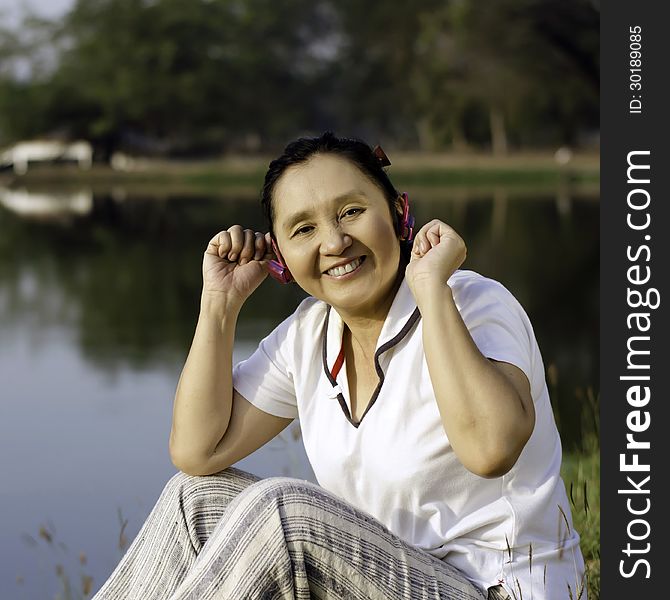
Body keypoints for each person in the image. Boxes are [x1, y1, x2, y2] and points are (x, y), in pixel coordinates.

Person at [92, 132, 585, 600]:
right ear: (281, 255)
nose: (333, 242)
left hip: (500, 588)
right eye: (304, 229)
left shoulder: (474, 303)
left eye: (351, 211)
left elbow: (491, 448)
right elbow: (197, 451)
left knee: (285, 514)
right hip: (389, 576)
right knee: (193, 499)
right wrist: (219, 304)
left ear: (399, 212)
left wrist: (431, 287)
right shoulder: (310, 333)